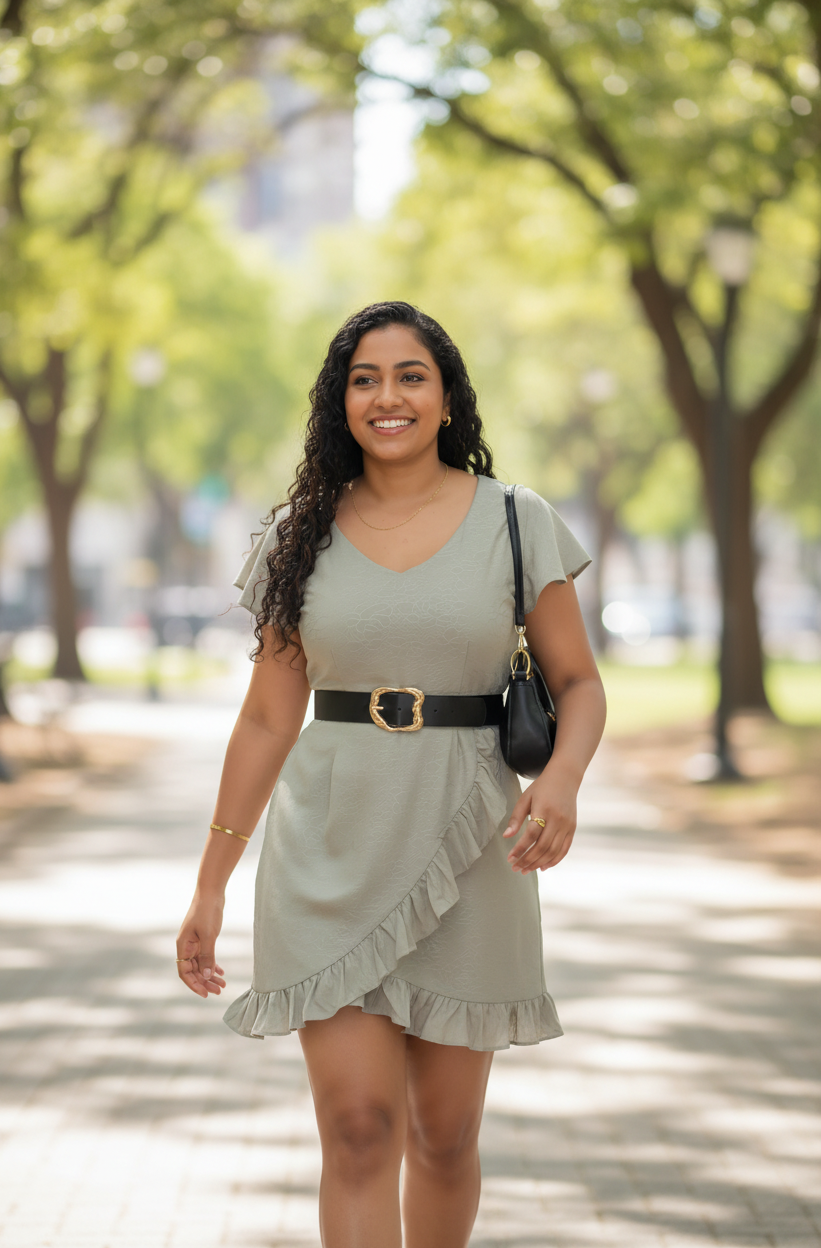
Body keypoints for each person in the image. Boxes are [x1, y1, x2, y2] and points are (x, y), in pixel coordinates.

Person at [176, 301, 606, 1247]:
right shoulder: (299, 533)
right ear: (341, 404)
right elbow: (263, 719)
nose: (389, 396)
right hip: (328, 854)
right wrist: (211, 884)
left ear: (447, 398)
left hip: (473, 851)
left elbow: (578, 683)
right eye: (365, 379)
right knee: (361, 1133)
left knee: (444, 1139)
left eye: (412, 375)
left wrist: (564, 778)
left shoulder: (515, 519)